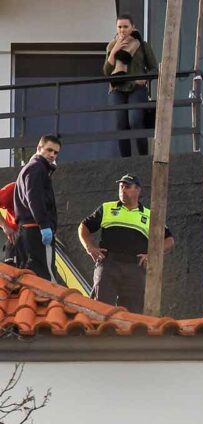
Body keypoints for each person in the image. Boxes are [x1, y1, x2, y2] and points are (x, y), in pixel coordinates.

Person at [78, 174, 174, 313]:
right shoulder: (107, 208)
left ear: (138, 190)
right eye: (121, 186)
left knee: (133, 314)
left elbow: (169, 240)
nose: (123, 190)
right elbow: (84, 226)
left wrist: (152, 255)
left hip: (135, 268)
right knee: (100, 310)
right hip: (108, 264)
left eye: (127, 187)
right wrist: (89, 247)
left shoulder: (149, 215)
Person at [104, 14, 157, 158]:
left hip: (137, 88)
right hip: (117, 89)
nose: (122, 30)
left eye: (125, 27)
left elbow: (154, 68)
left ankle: (143, 157)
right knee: (121, 125)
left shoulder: (142, 45)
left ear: (132, 27)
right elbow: (107, 71)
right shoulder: (111, 45)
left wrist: (144, 79)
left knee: (135, 121)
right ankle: (125, 162)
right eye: (119, 27)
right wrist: (114, 51)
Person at [14, 135, 61, 282]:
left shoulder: (31, 168)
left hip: (28, 231)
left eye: (56, 152)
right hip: (37, 231)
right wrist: (44, 225)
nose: (52, 155)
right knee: (47, 279)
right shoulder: (37, 168)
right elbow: (34, 199)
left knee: (31, 277)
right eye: (49, 150)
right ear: (39, 148)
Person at [0, 182, 18, 265]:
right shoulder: (14, 188)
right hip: (14, 239)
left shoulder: (41, 190)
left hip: (31, 238)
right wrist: (4, 226)